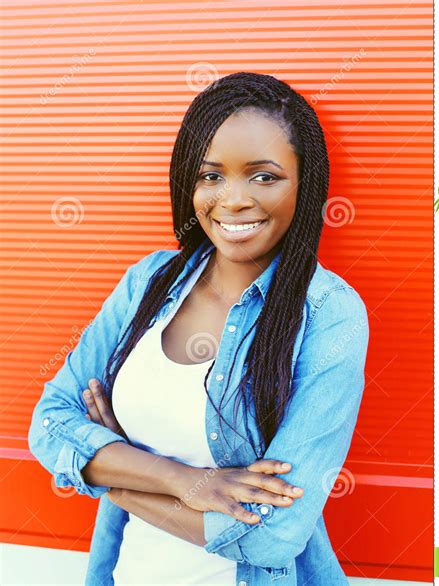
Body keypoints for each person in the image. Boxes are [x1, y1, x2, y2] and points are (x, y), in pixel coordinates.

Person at [28, 71, 369, 585]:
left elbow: (273, 534)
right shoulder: (147, 282)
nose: (233, 200)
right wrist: (186, 481)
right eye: (211, 176)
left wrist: (114, 474)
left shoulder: (329, 313)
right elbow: (49, 424)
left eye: (264, 176)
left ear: (305, 183)